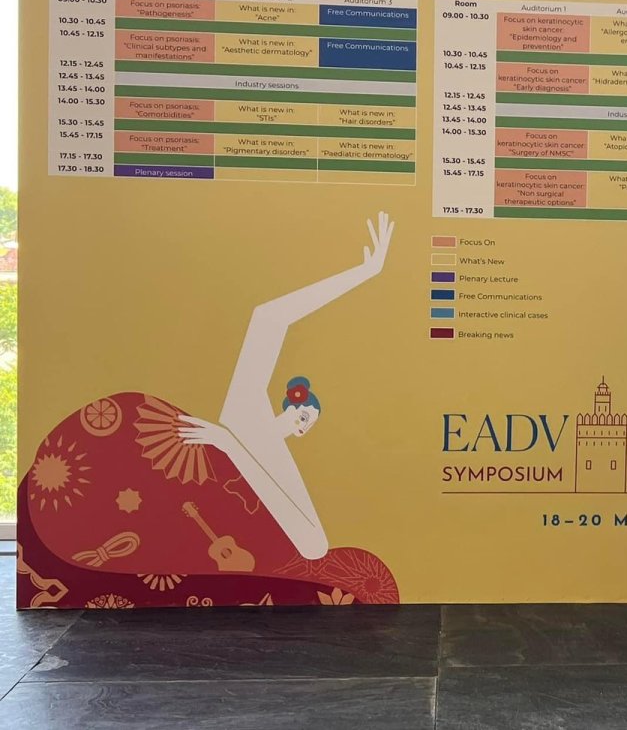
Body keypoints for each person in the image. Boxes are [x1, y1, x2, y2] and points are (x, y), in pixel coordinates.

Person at [18, 213, 399, 609]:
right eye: (298, 411)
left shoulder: (272, 456)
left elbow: (312, 546)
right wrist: (363, 272)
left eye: (305, 422)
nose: (298, 422)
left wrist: (228, 445)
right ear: (284, 403)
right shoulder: (246, 410)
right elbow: (269, 318)